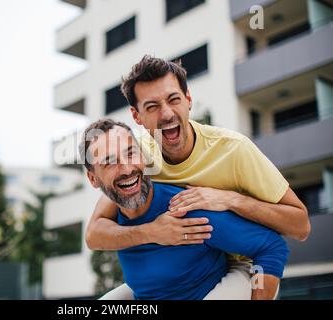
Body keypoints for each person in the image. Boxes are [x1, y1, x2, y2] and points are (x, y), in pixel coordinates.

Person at [85, 56, 310, 299]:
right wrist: (152, 232)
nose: (167, 113)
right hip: (179, 269)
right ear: (137, 116)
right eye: (151, 107)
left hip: (244, 264)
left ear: (188, 99)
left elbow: (300, 226)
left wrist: (230, 199)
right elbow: (95, 233)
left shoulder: (234, 150)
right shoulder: (134, 158)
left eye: (174, 99)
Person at [80, 119, 289, 300]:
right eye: (109, 162)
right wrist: (151, 232)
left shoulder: (187, 210)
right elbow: (93, 236)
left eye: (131, 154)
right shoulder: (113, 218)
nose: (126, 168)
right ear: (93, 179)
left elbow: (272, 247)